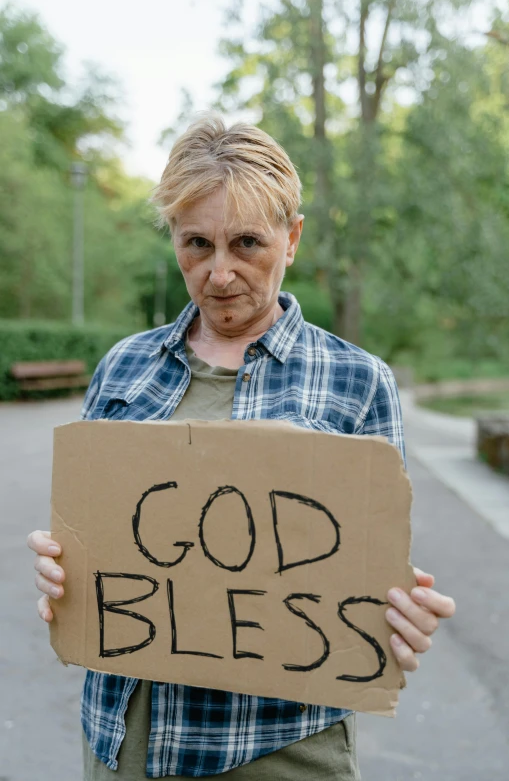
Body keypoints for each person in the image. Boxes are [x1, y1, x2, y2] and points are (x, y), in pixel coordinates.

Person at [27, 112, 455, 780]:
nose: (219, 273)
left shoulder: (357, 381)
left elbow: (370, 578)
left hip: (276, 754)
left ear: (294, 238)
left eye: (247, 243)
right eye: (196, 243)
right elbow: (90, 550)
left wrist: (401, 615)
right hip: (122, 748)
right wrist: (61, 574)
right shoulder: (124, 368)